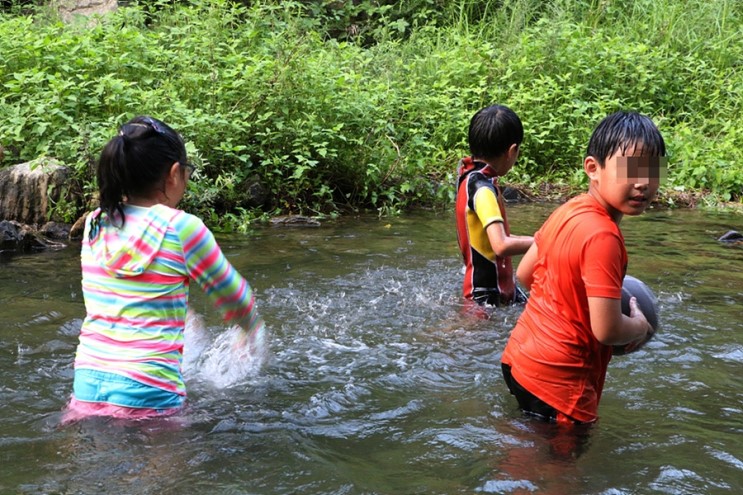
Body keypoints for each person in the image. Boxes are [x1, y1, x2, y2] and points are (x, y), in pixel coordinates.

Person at [62, 116, 265, 422]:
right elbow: (235, 298)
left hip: (88, 384)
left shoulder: (96, 223)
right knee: (167, 470)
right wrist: (248, 330)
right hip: (150, 392)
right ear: (173, 175)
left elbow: (125, 296)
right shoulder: (181, 227)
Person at [501, 110, 667, 425]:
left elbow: (525, 274)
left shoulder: (569, 209)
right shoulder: (604, 236)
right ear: (593, 168)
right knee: (561, 473)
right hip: (560, 385)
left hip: (521, 360)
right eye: (630, 170)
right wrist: (641, 326)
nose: (643, 183)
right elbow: (607, 330)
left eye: (653, 171)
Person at [455, 104, 534, 307]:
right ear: (512, 151)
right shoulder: (482, 189)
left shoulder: (471, 178)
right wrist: (545, 242)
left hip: (497, 291)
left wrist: (540, 238)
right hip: (485, 296)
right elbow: (501, 245)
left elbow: (494, 241)